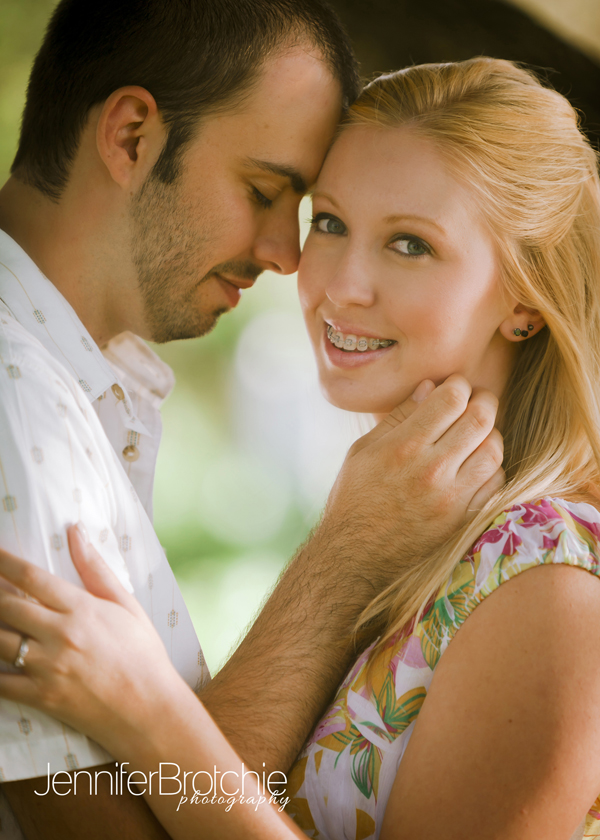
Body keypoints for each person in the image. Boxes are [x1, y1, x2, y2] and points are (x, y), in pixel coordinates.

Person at [0, 56, 599, 840]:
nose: (339, 283)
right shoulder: (422, 537)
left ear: (523, 299)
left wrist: (149, 710)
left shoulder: (549, 577)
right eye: (331, 222)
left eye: (411, 244)